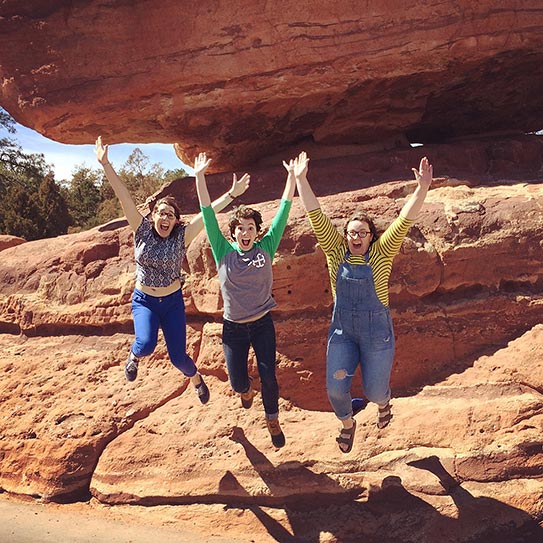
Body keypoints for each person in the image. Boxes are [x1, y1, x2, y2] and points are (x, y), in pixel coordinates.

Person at [294, 151, 433, 453]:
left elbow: (404, 220)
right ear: (344, 236)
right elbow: (315, 214)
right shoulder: (334, 250)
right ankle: (348, 423)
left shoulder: (382, 253)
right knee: (335, 389)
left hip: (376, 335)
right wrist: (301, 179)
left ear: (372, 237)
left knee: (373, 391)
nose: (356, 237)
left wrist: (422, 189)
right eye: (352, 233)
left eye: (363, 233)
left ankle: (384, 403)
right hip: (343, 333)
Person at [94, 136, 249, 405]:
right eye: (160, 213)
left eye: (170, 215)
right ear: (153, 215)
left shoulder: (182, 236)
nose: (164, 218)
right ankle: (133, 357)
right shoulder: (141, 229)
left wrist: (232, 195)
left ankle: (196, 379)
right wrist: (106, 164)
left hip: (173, 302)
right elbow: (124, 196)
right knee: (146, 345)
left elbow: (208, 213)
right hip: (145, 301)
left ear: (176, 220)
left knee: (180, 358)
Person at [193, 151, 297, 448]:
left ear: (257, 231)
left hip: (262, 324)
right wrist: (200, 177)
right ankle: (245, 392)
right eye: (240, 228)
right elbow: (207, 213)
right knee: (237, 381)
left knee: (269, 375)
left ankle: (272, 420)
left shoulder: (267, 246)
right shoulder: (223, 251)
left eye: (251, 227)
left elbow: (283, 211)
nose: (246, 232)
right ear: (233, 232)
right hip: (233, 329)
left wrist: (291, 178)